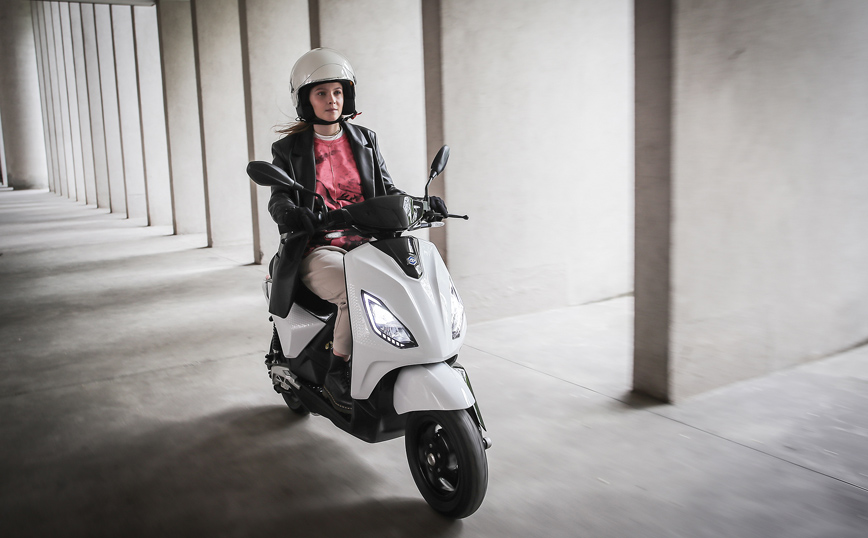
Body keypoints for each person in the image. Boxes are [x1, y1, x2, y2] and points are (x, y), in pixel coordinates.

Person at [267, 48, 447, 414]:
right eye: (321, 93)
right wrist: (292, 213)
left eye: (337, 91)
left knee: (411, 283)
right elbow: (278, 198)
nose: (331, 100)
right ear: (306, 100)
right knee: (355, 291)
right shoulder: (288, 150)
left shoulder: (365, 139)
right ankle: (338, 371)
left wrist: (420, 203)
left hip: (368, 243)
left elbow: (387, 189)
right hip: (318, 248)